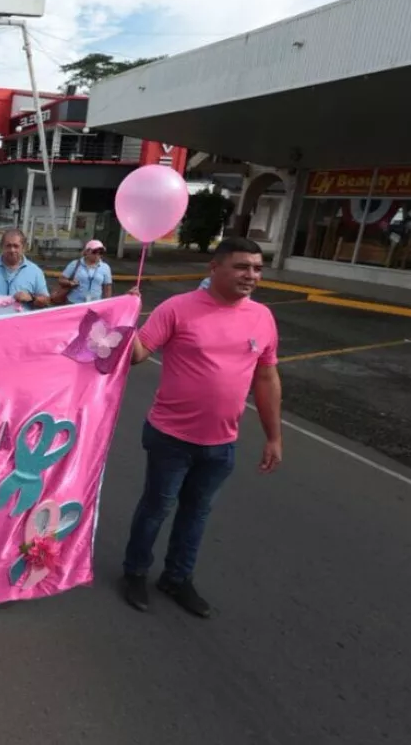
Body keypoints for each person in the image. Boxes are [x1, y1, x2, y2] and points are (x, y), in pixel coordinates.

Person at [121, 236, 282, 619]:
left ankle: (177, 578)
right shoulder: (178, 308)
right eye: (242, 267)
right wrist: (126, 317)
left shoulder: (262, 317)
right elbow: (139, 355)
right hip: (170, 437)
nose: (251, 275)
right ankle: (135, 572)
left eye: (257, 268)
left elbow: (267, 377)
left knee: (197, 513)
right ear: (215, 268)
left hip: (222, 443)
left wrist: (274, 436)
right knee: (156, 507)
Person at [0, 229, 51, 310]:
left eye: (16, 246)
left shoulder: (35, 272)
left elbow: (46, 301)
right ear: (2, 247)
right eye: (8, 246)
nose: (12, 250)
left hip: (21, 322)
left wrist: (31, 298)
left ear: (24, 248)